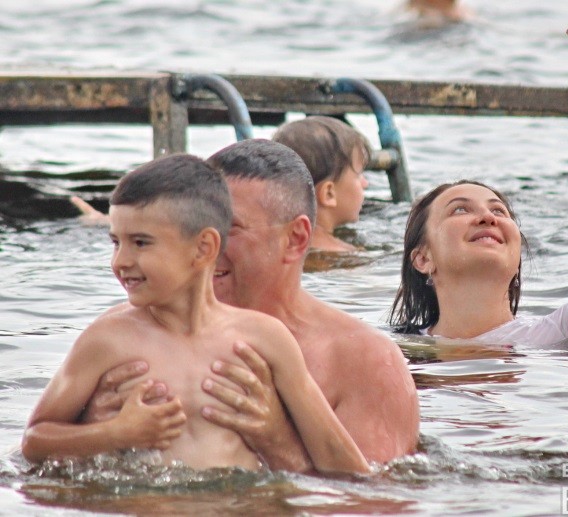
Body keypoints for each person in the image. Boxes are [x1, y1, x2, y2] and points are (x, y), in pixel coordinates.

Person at [82, 141, 420, 472]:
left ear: (296, 238)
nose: (203, 246)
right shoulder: (122, 335)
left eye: (229, 228)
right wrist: (94, 432)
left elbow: (371, 497)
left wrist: (277, 441)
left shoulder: (364, 362)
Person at [22, 154, 370, 474]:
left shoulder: (265, 338)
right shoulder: (108, 339)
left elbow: (342, 462)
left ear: (204, 248)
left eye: (141, 242)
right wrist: (114, 433)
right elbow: (35, 440)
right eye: (116, 242)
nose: (120, 261)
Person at [389, 35, 568, 347]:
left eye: (499, 211)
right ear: (423, 258)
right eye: (460, 209)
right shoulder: (394, 349)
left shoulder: (558, 335)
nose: (488, 218)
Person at [272, 116, 370, 253]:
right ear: (329, 194)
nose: (365, 183)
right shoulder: (345, 254)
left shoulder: (271, 244)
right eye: (358, 175)